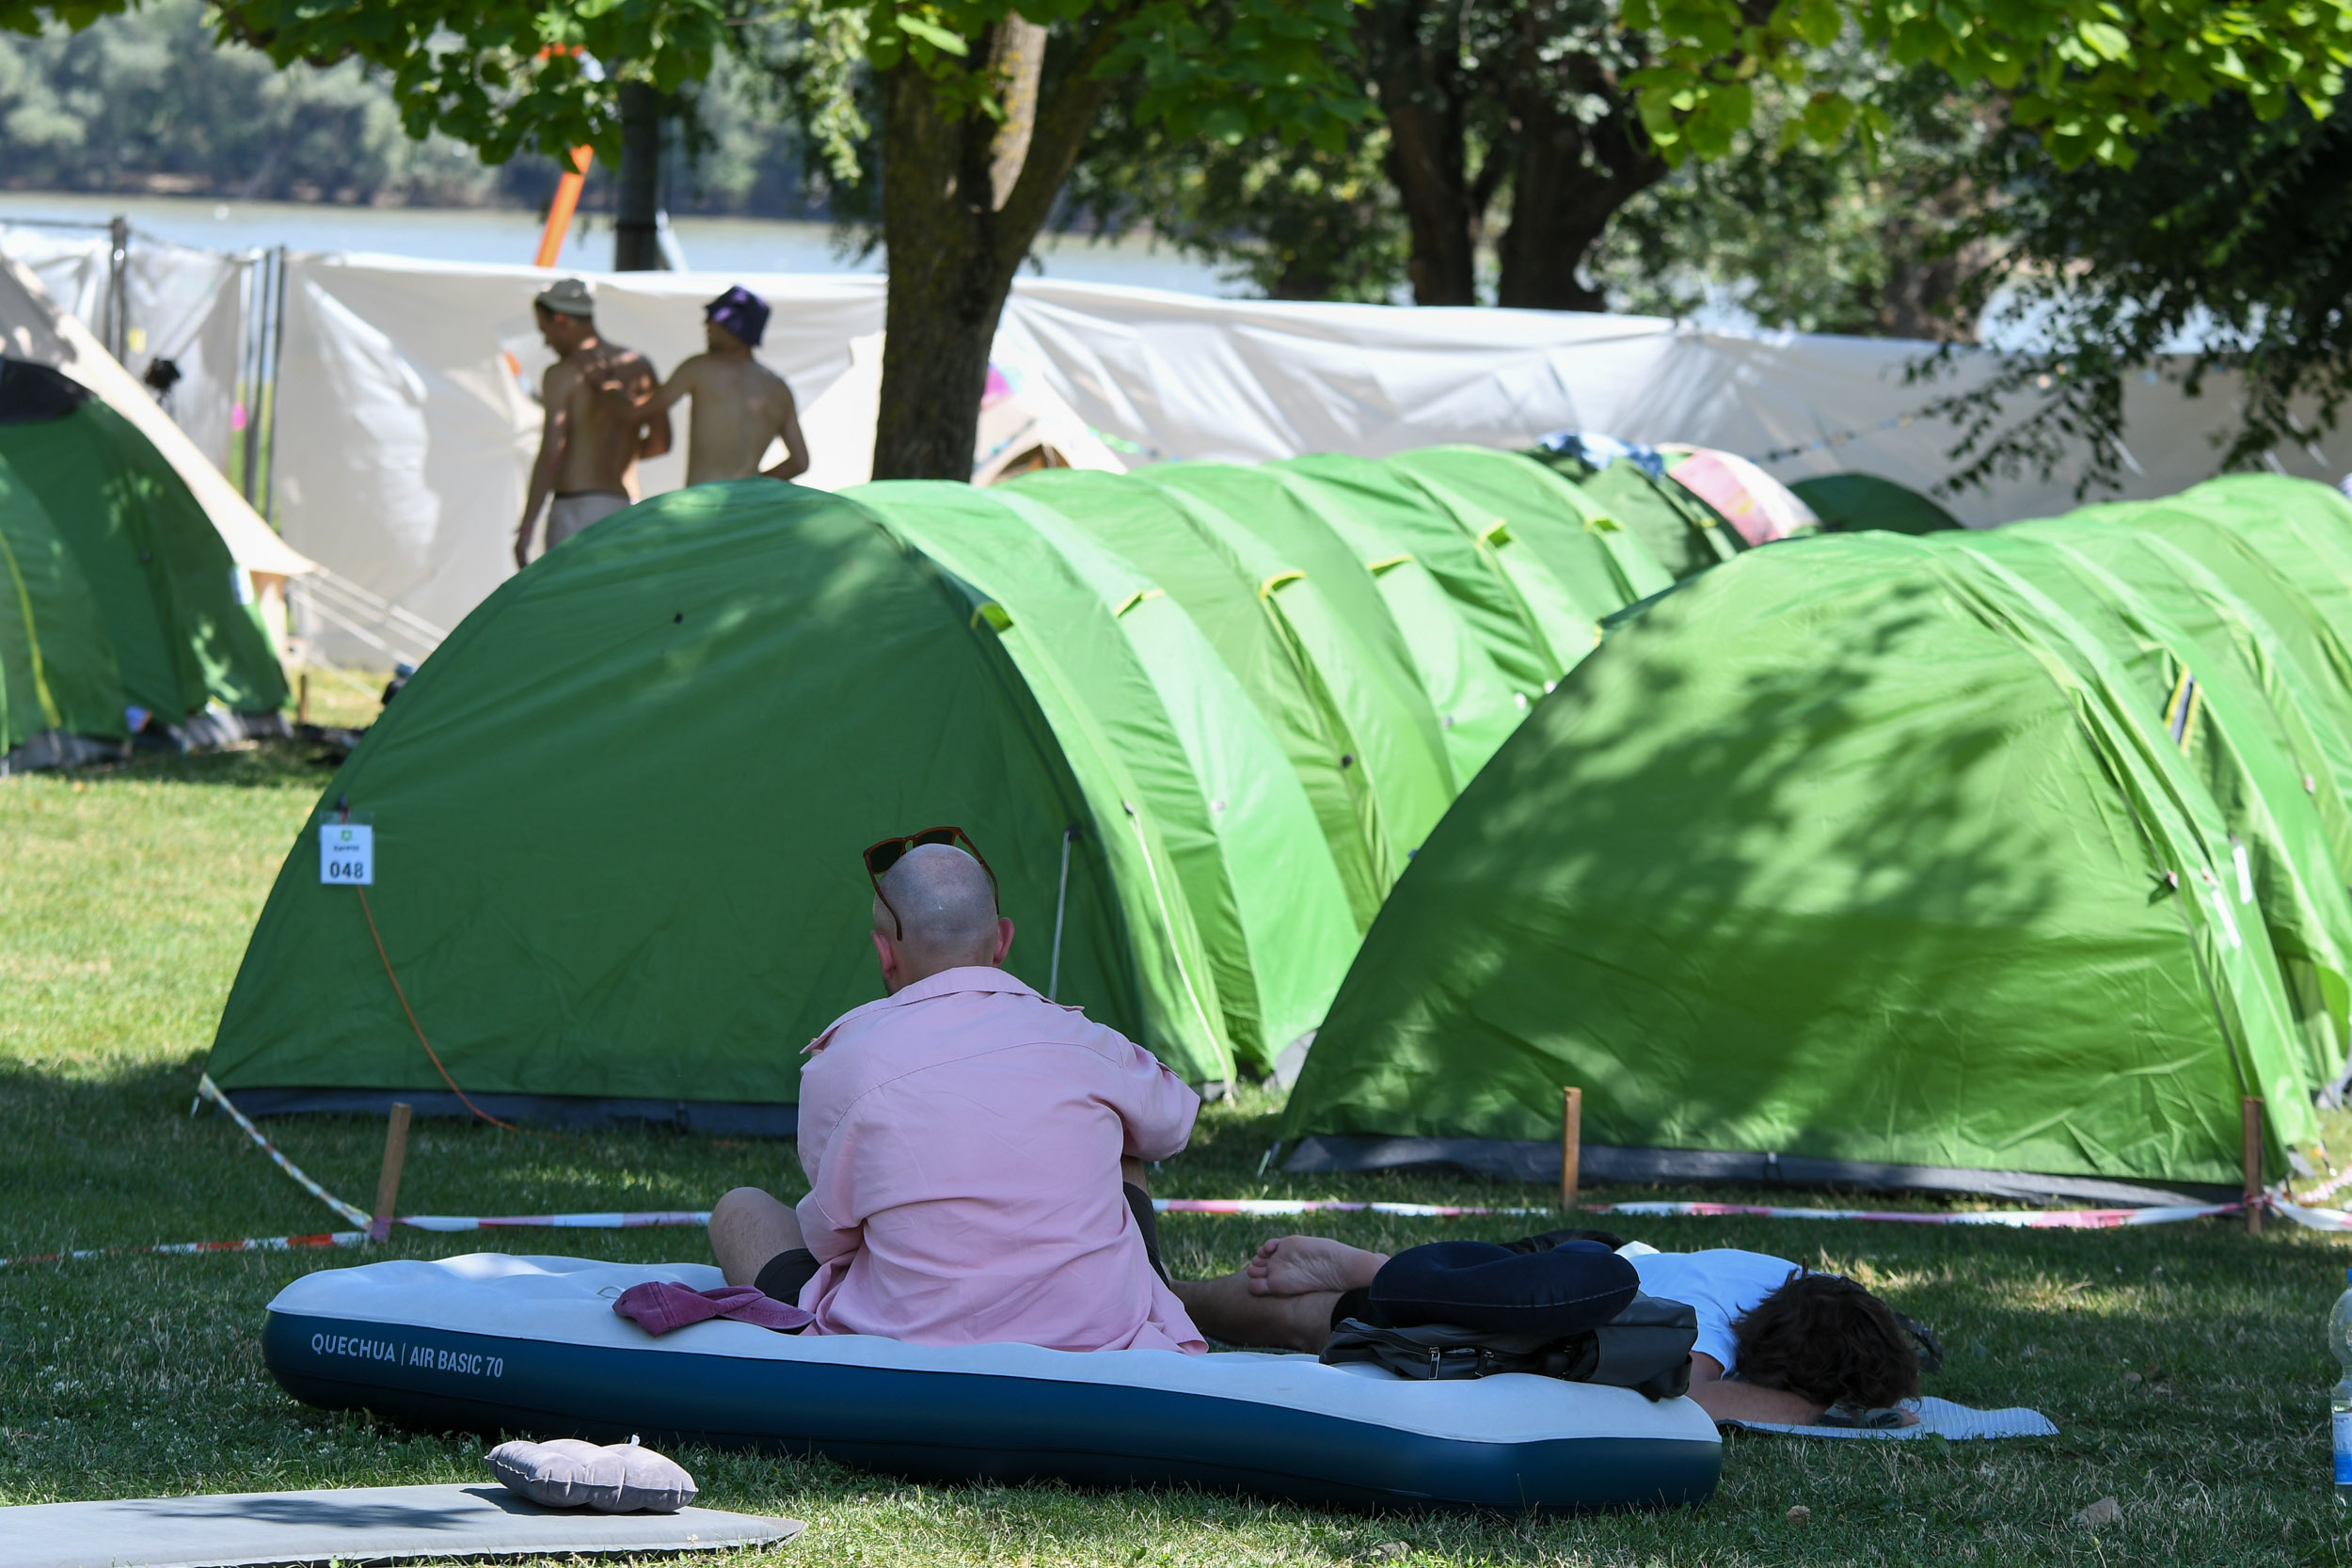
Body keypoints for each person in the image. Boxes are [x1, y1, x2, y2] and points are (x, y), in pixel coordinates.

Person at [707, 828, 1204, 1354]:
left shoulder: (841, 1064)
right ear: (1003, 941)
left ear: (883, 953)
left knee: (740, 1210)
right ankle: (1154, 1291)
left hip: (905, 1345)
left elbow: (833, 1239)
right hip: (1103, 1340)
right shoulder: (1088, 1044)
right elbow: (1172, 1126)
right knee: (1127, 1130)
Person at [1170, 1234, 1923, 1425]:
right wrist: (1818, 1407)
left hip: (1593, 1258)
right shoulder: (1712, 1330)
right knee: (1335, 1323)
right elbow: (1688, 1402)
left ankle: (1169, 1292)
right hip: (1557, 1286)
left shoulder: (1785, 1281)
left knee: (1461, 1284)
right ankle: (1176, 1295)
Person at [514, 277, 670, 567]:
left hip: (576, 508)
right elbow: (661, 443)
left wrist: (526, 527)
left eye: (545, 331)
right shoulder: (639, 365)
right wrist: (620, 451)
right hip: (626, 508)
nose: (546, 342)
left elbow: (552, 454)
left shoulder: (561, 374)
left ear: (561, 319)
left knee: (568, 608)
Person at [649, 286, 811, 485]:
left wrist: (610, 390)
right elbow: (800, 462)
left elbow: (640, 410)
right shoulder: (779, 388)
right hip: (748, 509)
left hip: (702, 505)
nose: (706, 324)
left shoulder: (701, 367)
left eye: (714, 320)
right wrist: (748, 487)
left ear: (734, 326)